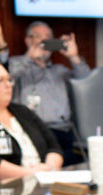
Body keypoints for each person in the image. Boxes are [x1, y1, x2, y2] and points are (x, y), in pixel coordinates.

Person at [9, 20, 90, 164]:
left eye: (48, 37)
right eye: (38, 36)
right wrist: (29, 57)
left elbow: (86, 81)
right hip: (31, 132)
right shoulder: (16, 64)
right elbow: (7, 78)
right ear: (28, 41)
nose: (44, 40)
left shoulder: (60, 70)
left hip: (63, 131)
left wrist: (73, 57)